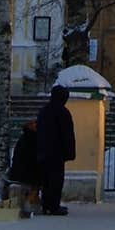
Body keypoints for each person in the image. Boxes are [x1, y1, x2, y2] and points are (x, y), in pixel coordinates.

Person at [35, 83, 76, 215]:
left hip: (44, 151)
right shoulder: (63, 113)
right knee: (56, 181)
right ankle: (54, 206)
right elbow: (67, 135)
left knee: (46, 180)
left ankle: (46, 205)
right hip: (57, 153)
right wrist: (69, 152)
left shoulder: (44, 111)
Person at [7, 119, 41, 216]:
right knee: (40, 179)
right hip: (26, 173)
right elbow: (33, 158)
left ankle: (32, 201)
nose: (36, 126)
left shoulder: (25, 138)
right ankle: (30, 203)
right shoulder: (32, 139)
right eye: (34, 125)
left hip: (20, 171)